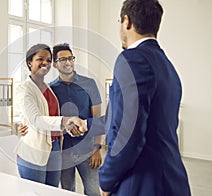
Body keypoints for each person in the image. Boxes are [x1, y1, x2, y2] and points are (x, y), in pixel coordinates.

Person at [68, 0, 191, 195]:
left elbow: (128, 134)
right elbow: (121, 119)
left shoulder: (132, 59)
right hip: (172, 179)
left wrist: (106, 180)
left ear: (126, 21)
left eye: (119, 21)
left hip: (142, 183)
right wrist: (86, 124)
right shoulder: (167, 66)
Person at [19, 43, 103, 196]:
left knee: (93, 192)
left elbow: (97, 118)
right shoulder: (51, 88)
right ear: (56, 65)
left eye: (70, 58)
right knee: (66, 191)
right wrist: (24, 126)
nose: (68, 62)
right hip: (62, 150)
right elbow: (39, 116)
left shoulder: (89, 84)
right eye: (62, 59)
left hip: (86, 149)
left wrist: (97, 148)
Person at [15, 43, 83, 187]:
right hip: (34, 150)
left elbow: (50, 115)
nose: (45, 63)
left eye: (48, 60)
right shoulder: (24, 89)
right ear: (29, 62)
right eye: (40, 59)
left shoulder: (48, 88)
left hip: (55, 146)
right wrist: (65, 121)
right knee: (36, 192)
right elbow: (35, 119)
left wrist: (66, 127)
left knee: (52, 191)